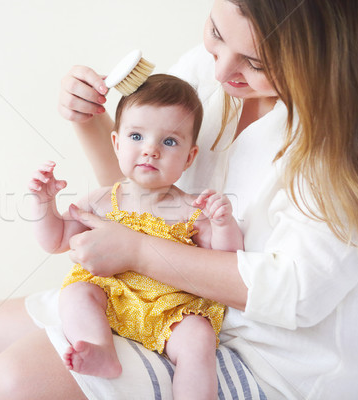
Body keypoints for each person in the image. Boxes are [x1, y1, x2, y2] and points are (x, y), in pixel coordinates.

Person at [0, 0, 358, 399]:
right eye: (216, 33)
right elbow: (138, 196)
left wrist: (139, 251)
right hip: (152, 296)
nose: (219, 70)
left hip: (262, 351)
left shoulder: (344, 148)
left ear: (321, 60)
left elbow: (297, 294)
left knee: (13, 382)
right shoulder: (206, 75)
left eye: (253, 61)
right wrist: (89, 122)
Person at [28, 74, 244, 399]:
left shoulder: (190, 209)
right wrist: (44, 203)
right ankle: (100, 349)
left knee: (198, 337)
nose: (151, 150)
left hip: (171, 309)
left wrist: (224, 223)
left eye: (169, 142)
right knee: (75, 294)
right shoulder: (102, 201)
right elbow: (56, 240)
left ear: (189, 156)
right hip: (111, 296)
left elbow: (228, 260)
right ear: (116, 143)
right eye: (137, 136)